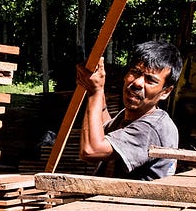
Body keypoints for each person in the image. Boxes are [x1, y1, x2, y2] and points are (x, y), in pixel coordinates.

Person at [76, 40, 182, 180]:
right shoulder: (135, 116)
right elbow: (106, 129)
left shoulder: (152, 127)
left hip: (134, 201)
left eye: (150, 80)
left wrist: (95, 91)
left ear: (165, 92)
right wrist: (96, 85)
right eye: (135, 72)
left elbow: (91, 150)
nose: (137, 83)